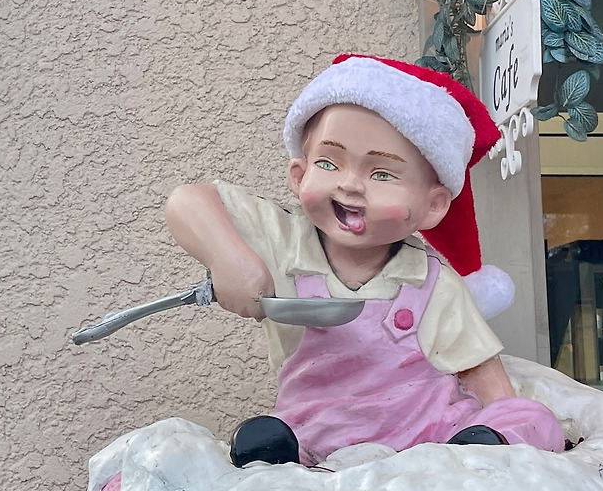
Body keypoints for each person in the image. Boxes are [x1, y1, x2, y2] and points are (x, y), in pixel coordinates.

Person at [165, 53, 566, 466]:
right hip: (316, 434)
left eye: (382, 174)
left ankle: (479, 449)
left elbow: (481, 372)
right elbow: (187, 201)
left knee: (528, 417)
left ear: (432, 205)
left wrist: (502, 418)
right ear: (299, 175)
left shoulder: (430, 281)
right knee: (266, 440)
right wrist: (232, 262)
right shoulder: (285, 242)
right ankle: (276, 455)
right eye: (328, 163)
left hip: (430, 438)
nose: (350, 185)